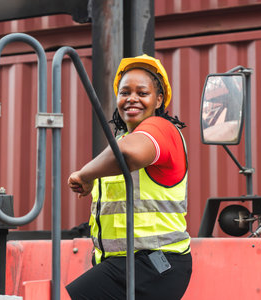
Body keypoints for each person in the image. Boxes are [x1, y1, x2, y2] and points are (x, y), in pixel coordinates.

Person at [66, 54, 192, 300]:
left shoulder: (162, 128)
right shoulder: (122, 141)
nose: (132, 98)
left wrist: (86, 174)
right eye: (125, 92)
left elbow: (129, 155)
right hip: (126, 263)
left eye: (142, 93)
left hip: (154, 262)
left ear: (159, 100)